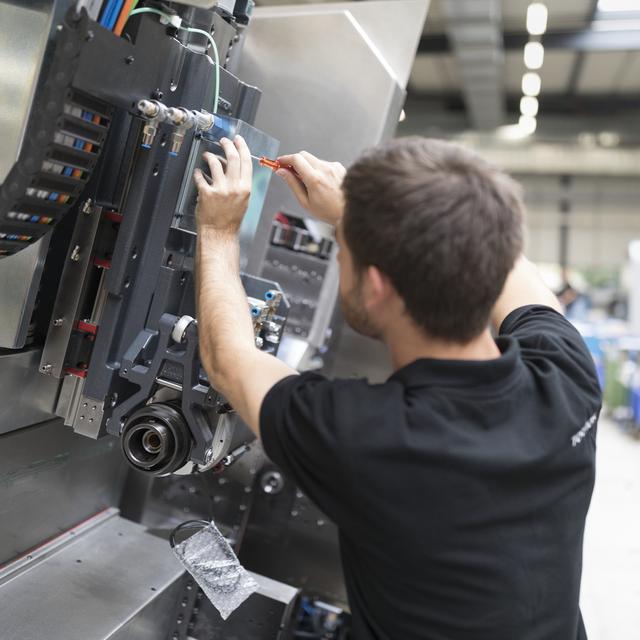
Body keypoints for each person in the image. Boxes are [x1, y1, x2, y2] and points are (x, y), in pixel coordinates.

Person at [193, 136, 601, 640]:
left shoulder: (368, 437)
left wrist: (217, 229)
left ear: (379, 285)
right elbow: (512, 265)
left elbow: (228, 358)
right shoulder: (566, 375)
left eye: (342, 251)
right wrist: (371, 219)